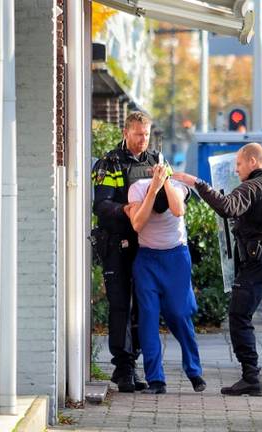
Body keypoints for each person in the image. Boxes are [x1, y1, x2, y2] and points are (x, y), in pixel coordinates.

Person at [172, 143, 262, 396]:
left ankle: (251, 377)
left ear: (252, 161)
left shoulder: (252, 187)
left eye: (239, 164)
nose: (236, 170)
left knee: (240, 316)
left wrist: (198, 183)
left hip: (259, 260)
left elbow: (227, 207)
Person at [91, 111, 166, 392]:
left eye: (146, 135)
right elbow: (101, 206)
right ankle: (123, 368)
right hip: (118, 243)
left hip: (148, 244)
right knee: (121, 304)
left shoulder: (157, 161)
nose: (142, 140)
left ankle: (133, 361)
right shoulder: (109, 163)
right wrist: (126, 209)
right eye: (137, 134)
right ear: (126, 133)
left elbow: (171, 193)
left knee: (145, 305)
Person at [125, 164, 205, 395]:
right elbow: (138, 224)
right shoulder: (139, 188)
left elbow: (178, 210)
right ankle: (156, 380)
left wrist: (166, 181)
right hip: (147, 260)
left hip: (176, 258)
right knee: (148, 318)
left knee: (179, 314)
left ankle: (194, 371)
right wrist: (153, 190)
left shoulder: (178, 186)